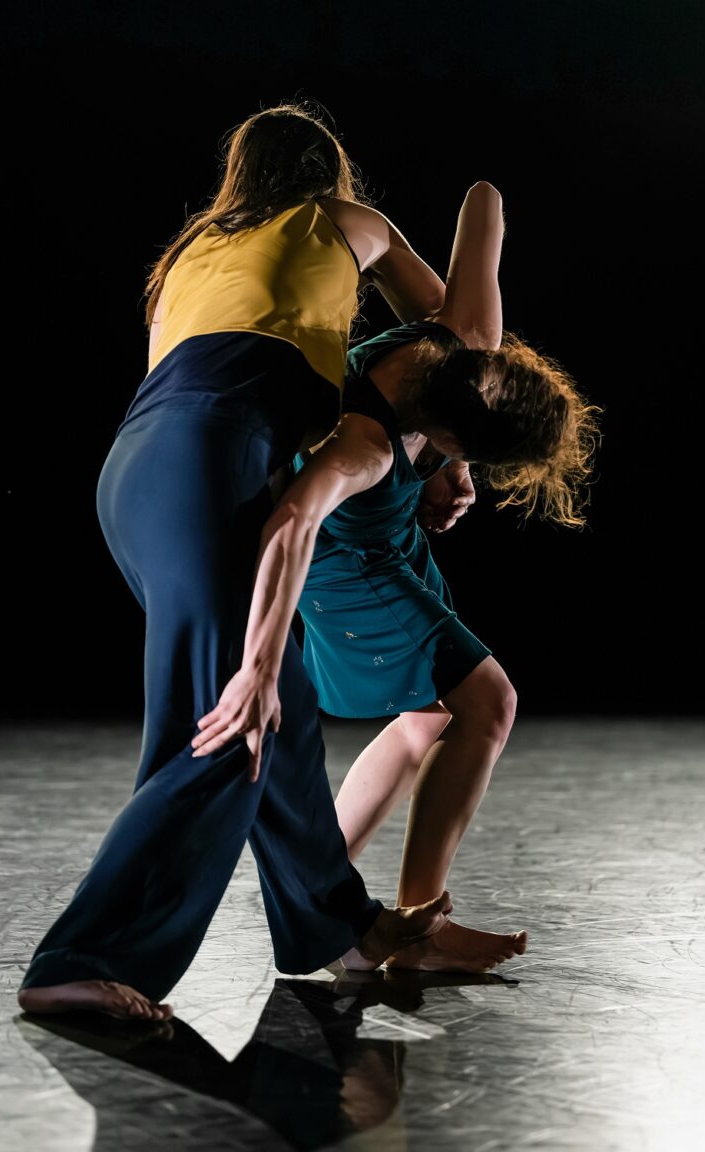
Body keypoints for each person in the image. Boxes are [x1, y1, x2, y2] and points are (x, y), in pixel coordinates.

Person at [17, 101, 457, 1024]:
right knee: (227, 726)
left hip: (138, 472)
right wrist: (448, 460)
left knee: (277, 709)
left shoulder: (187, 253)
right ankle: (77, 960)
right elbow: (450, 334)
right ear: (328, 173)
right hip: (215, 456)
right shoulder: (349, 223)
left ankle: (338, 927)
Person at [190, 179, 602, 973]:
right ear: (443, 425)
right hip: (347, 562)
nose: (462, 466)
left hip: (391, 545)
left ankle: (324, 908)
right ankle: (418, 930)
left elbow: (483, 198)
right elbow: (294, 521)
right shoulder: (366, 446)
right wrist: (261, 664)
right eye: (464, 452)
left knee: (429, 720)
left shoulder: (469, 337)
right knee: (487, 702)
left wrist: (449, 463)